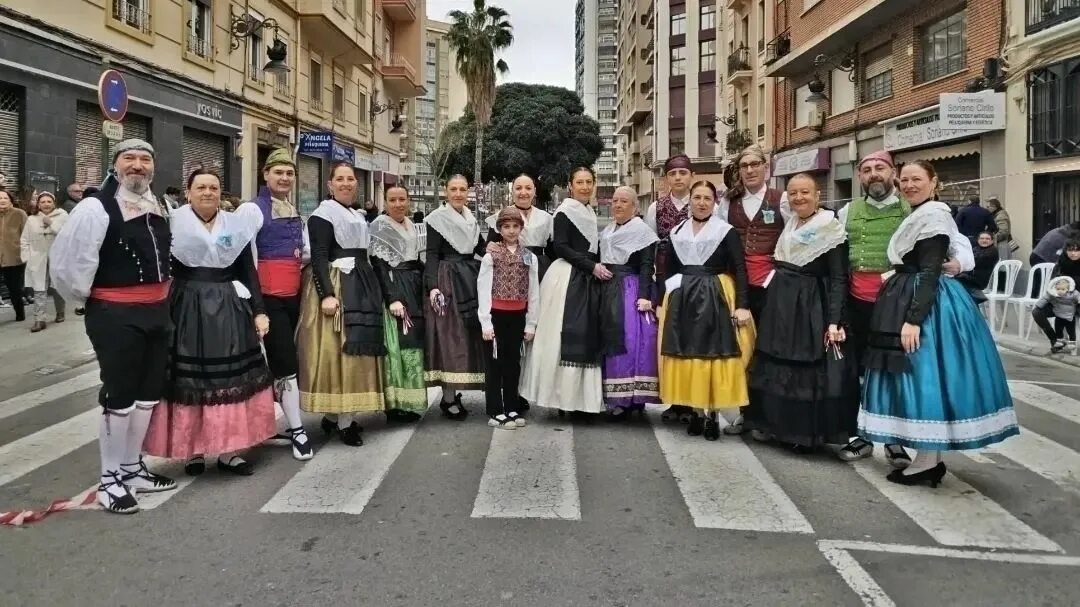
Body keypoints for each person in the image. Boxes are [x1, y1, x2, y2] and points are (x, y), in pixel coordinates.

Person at [860, 160, 1019, 487]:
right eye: (904, 179)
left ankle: (927, 461)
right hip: (918, 295)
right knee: (925, 377)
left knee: (925, 377)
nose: (909, 184)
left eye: (917, 179)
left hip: (927, 304)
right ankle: (927, 459)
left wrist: (914, 320)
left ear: (934, 183)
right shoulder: (922, 214)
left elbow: (930, 270)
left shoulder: (933, 216)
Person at [49, 139, 177, 514]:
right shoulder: (95, 207)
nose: (137, 166)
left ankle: (132, 466)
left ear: (152, 167)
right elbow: (70, 264)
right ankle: (109, 479)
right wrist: (92, 301)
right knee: (119, 394)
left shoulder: (161, 205)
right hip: (115, 314)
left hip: (157, 311)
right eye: (129, 159)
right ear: (116, 165)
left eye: (144, 160)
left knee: (149, 394)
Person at [835, 150, 974, 466]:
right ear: (860, 176)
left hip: (899, 305)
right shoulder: (847, 212)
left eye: (880, 168)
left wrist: (958, 263)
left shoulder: (916, 209)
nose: (874, 174)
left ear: (891, 174)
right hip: (858, 301)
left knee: (895, 373)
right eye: (867, 169)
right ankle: (865, 434)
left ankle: (895, 442)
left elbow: (958, 245)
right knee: (862, 373)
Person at [143, 169, 275, 476]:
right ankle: (193, 450)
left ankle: (230, 450)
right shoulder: (172, 223)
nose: (207, 192)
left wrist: (259, 309)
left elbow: (248, 271)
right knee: (192, 378)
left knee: (230, 379)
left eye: (213, 187)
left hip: (229, 304)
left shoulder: (235, 226)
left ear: (220, 193)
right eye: (200, 187)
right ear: (188, 192)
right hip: (187, 304)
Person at [744, 174, 854, 452]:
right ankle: (772, 425)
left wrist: (834, 319)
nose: (798, 198)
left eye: (805, 192)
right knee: (774, 359)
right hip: (781, 301)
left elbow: (839, 277)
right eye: (793, 193)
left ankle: (801, 433)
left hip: (809, 303)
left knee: (803, 366)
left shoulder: (829, 227)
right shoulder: (792, 223)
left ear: (818, 195)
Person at [657, 180, 755, 440]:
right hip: (683, 298)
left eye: (707, 198)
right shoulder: (677, 231)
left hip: (715, 295)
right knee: (688, 354)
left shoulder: (725, 231)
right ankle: (696, 411)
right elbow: (669, 269)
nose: (701, 202)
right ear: (690, 200)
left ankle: (712, 413)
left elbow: (740, 268)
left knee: (714, 353)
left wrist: (743, 305)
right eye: (697, 197)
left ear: (714, 202)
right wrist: (664, 298)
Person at [298, 163, 387, 446]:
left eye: (350, 179)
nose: (346, 183)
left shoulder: (355, 214)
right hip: (338, 284)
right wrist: (326, 294)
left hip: (359, 281)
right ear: (330, 184)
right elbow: (320, 257)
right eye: (340, 179)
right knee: (341, 351)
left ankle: (337, 418)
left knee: (357, 348)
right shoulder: (322, 215)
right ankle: (343, 421)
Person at [234, 148, 313, 461]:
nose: (284, 178)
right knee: (285, 363)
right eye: (278, 172)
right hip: (267, 299)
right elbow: (243, 257)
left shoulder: (292, 208)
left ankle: (266, 426)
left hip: (292, 296)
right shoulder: (252, 210)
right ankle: (297, 430)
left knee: (279, 364)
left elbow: (303, 253)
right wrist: (257, 305)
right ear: (265, 175)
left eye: (289, 173)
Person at [520, 167, 606, 415]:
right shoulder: (564, 212)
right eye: (580, 182)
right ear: (571, 185)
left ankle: (580, 400)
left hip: (588, 277)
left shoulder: (589, 211)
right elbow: (561, 247)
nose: (585, 186)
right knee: (561, 336)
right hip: (568, 275)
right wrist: (591, 266)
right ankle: (562, 398)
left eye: (589, 182)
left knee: (586, 336)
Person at [424, 175, 487, 419]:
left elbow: (480, 247)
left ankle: (454, 393)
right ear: (445, 191)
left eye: (462, 189)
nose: (458, 194)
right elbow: (431, 254)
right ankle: (448, 397)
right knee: (450, 336)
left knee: (468, 335)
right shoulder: (436, 219)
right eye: (453, 189)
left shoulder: (470, 217)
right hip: (448, 278)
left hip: (469, 275)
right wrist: (433, 286)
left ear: (468, 191)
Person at [598, 186, 659, 419]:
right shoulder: (609, 230)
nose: (618, 205)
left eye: (624, 201)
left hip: (629, 289)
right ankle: (616, 397)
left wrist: (644, 296)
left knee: (630, 342)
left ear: (634, 206)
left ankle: (632, 399)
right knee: (610, 341)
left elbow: (646, 265)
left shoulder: (641, 232)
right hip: (608, 288)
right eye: (615, 201)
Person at [370, 184, 428, 423]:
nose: (398, 204)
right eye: (392, 200)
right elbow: (379, 267)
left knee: (414, 343)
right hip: (395, 286)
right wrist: (392, 298)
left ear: (409, 201)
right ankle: (394, 405)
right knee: (398, 344)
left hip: (414, 286)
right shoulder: (379, 227)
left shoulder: (413, 226)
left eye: (402, 199)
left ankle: (411, 400)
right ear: (385, 202)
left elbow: (419, 260)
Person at [477, 207, 540, 429]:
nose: (511, 231)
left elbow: (534, 291)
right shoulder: (491, 255)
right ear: (499, 229)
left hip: (518, 315)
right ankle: (495, 410)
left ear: (521, 228)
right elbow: (483, 289)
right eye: (506, 227)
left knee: (513, 364)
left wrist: (531, 322)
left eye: (515, 226)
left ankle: (512, 407)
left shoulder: (529, 256)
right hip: (496, 315)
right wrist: (485, 321)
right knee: (495, 364)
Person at [644, 154, 694, 423]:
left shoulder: (702, 203)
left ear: (691, 176)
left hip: (694, 277)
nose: (678, 178)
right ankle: (674, 399)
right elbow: (650, 243)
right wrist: (653, 279)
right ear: (667, 179)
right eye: (673, 174)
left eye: (683, 173)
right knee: (668, 336)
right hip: (665, 275)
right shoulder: (656, 208)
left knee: (691, 336)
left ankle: (690, 399)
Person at [486, 174, 554, 281]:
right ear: (512, 191)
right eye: (518, 188)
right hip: (511, 266)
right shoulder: (501, 215)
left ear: (534, 191)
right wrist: (489, 246)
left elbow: (552, 251)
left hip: (540, 268)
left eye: (528, 188)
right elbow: (489, 245)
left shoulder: (546, 218)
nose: (523, 192)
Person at [20, 191, 68, 332]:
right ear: (38, 204)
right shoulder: (32, 219)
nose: (46, 204)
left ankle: (60, 311)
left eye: (49, 201)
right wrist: (26, 257)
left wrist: (51, 224)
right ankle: (39, 319)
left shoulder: (63, 215)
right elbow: (24, 240)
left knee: (57, 287)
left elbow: (67, 235)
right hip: (37, 258)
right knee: (39, 289)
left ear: (54, 202)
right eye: (42, 202)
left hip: (57, 257)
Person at [1031, 276, 1079, 353]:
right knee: (1036, 312)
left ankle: (1072, 341)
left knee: (1070, 326)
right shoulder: (1061, 266)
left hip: (1074, 305)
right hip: (1057, 303)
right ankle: (1054, 340)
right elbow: (1052, 287)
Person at [0, 187, 27, 323]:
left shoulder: (19, 214)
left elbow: (27, 235)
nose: (2, 200)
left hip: (14, 258)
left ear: (11, 201)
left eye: (5, 198)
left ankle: (20, 313)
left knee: (14, 289)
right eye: (0, 198)